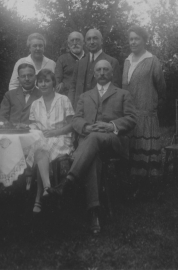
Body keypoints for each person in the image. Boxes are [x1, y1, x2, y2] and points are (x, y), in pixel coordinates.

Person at [49, 60, 137, 234]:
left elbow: (132, 119)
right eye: (99, 70)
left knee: (95, 137)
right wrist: (86, 127)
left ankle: (68, 183)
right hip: (90, 145)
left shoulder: (123, 94)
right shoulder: (85, 96)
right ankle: (94, 212)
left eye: (106, 70)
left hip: (114, 142)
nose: (102, 72)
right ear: (94, 74)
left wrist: (111, 125)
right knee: (92, 159)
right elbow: (76, 119)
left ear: (112, 74)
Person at [122, 25, 166, 194]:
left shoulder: (152, 60)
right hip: (129, 112)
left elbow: (161, 87)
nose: (133, 42)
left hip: (146, 113)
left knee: (144, 148)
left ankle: (147, 187)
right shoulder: (127, 61)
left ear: (144, 40)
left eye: (136, 38)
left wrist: (152, 106)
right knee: (131, 148)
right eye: (131, 39)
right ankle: (132, 185)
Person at [28, 69, 75, 213]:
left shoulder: (63, 100)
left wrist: (55, 132)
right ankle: (48, 188)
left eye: (47, 81)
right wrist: (36, 130)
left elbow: (72, 124)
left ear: (53, 82)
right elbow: (33, 125)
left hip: (61, 138)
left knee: (41, 149)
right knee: (40, 147)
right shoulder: (35, 104)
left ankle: (38, 198)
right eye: (40, 81)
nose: (43, 84)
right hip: (43, 139)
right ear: (37, 84)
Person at [68, 29, 122, 109]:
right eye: (89, 39)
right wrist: (70, 108)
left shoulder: (112, 62)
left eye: (95, 38)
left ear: (101, 41)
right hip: (80, 110)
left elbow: (115, 91)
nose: (92, 42)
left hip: (101, 111)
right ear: (85, 43)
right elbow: (73, 87)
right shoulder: (80, 63)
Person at [55, 31, 86, 96]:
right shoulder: (62, 59)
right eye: (72, 40)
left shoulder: (89, 58)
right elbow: (57, 82)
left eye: (77, 40)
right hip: (68, 96)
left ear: (83, 42)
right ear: (68, 44)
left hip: (86, 96)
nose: (75, 43)